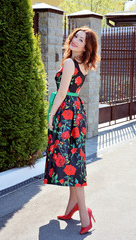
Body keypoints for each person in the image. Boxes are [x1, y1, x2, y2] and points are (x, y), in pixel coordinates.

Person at [44, 26, 100, 235]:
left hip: (66, 115)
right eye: (75, 36)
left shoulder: (69, 63)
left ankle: (85, 216)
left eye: (81, 39)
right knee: (73, 161)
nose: (75, 40)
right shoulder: (84, 64)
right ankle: (71, 208)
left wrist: (51, 115)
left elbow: (60, 94)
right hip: (77, 113)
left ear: (86, 47)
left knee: (71, 164)